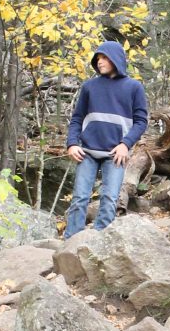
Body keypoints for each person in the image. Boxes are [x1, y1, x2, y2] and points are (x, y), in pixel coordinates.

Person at [64, 41, 149, 239]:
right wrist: (72, 143)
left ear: (116, 59)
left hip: (115, 154)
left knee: (110, 199)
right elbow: (77, 118)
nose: (100, 62)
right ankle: (71, 242)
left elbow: (141, 121)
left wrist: (125, 144)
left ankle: (100, 243)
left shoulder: (134, 87)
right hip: (87, 151)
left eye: (104, 57)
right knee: (79, 198)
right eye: (98, 58)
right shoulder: (89, 87)